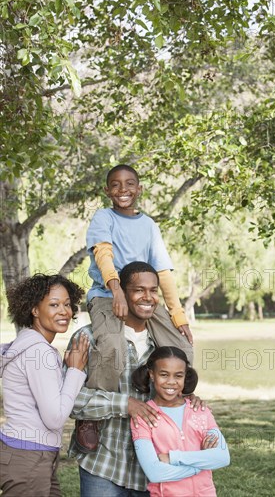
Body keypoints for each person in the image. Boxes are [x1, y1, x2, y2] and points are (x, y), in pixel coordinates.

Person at [68, 261, 203, 497]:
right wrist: (126, 404)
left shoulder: (166, 347)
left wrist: (191, 401)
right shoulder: (89, 338)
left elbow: (174, 395)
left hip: (151, 471)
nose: (148, 297)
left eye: (153, 290)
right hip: (102, 465)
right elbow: (70, 400)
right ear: (121, 292)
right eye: (139, 290)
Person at [85, 164, 193, 395]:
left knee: (182, 346)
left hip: (143, 297)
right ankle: (92, 415)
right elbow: (104, 255)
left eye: (129, 184)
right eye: (115, 185)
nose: (123, 189)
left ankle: (179, 402)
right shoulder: (103, 217)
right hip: (107, 295)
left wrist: (177, 313)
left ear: (139, 189)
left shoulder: (149, 225)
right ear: (107, 191)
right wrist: (117, 292)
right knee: (112, 347)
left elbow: (162, 271)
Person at [0, 273, 89, 497]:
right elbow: (55, 418)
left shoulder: (26, 343)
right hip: (29, 456)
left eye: (67, 304)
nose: (64, 311)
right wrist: (76, 371)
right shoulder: (40, 352)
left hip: (29, 453)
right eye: (54, 304)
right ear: (34, 309)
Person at [131, 346, 230, 497]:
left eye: (178, 376)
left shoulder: (200, 410)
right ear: (152, 374)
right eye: (164, 375)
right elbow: (155, 472)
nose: (171, 382)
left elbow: (222, 457)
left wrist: (173, 458)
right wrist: (201, 464)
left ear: (185, 376)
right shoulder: (143, 417)